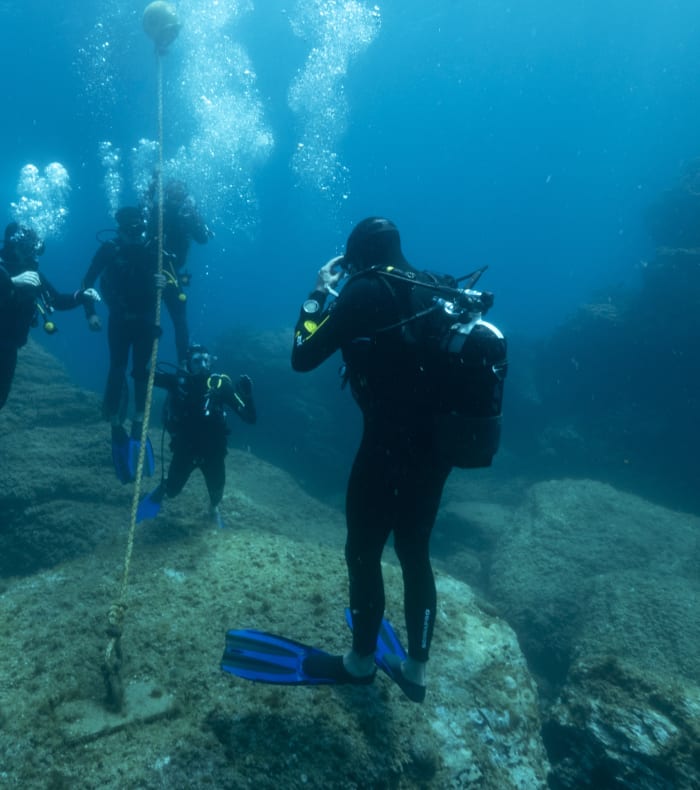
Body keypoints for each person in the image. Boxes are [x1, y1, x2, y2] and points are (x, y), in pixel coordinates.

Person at [290, 217, 507, 702]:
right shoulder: (435, 286)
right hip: (435, 451)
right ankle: (416, 672)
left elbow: (302, 355)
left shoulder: (365, 290)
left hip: (386, 446)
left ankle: (360, 663)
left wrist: (318, 293)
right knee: (414, 554)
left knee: (363, 553)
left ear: (355, 255)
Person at [81, 206, 163, 483]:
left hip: (145, 320)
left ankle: (139, 424)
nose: (135, 234)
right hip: (119, 320)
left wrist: (168, 282)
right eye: (129, 229)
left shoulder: (154, 247)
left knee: (141, 371)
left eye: (138, 228)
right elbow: (88, 281)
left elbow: (174, 283)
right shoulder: (109, 250)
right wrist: (90, 313)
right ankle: (116, 426)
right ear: (120, 229)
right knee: (117, 369)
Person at [137, 343, 256, 525]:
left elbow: (249, 418)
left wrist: (248, 397)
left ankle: (214, 509)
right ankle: (164, 487)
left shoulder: (221, 385)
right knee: (172, 491)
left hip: (214, 451)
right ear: (188, 364)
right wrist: (145, 345)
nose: (202, 364)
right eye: (197, 360)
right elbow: (140, 375)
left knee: (217, 492)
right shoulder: (177, 382)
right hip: (185, 449)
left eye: (205, 360)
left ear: (211, 362)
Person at [0, 223, 100, 411]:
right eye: (27, 249)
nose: (32, 256)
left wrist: (81, 295)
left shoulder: (34, 275)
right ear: (14, 246)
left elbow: (57, 301)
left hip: (9, 347)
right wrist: (10, 282)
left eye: (34, 250)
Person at [145, 178, 211, 366]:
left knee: (180, 321)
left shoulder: (188, 214)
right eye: (172, 192)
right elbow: (144, 232)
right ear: (166, 194)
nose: (175, 195)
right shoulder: (159, 211)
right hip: (151, 274)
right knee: (147, 319)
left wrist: (194, 217)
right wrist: (152, 183)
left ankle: (184, 364)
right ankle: (142, 367)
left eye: (179, 192)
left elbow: (203, 238)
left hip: (173, 274)